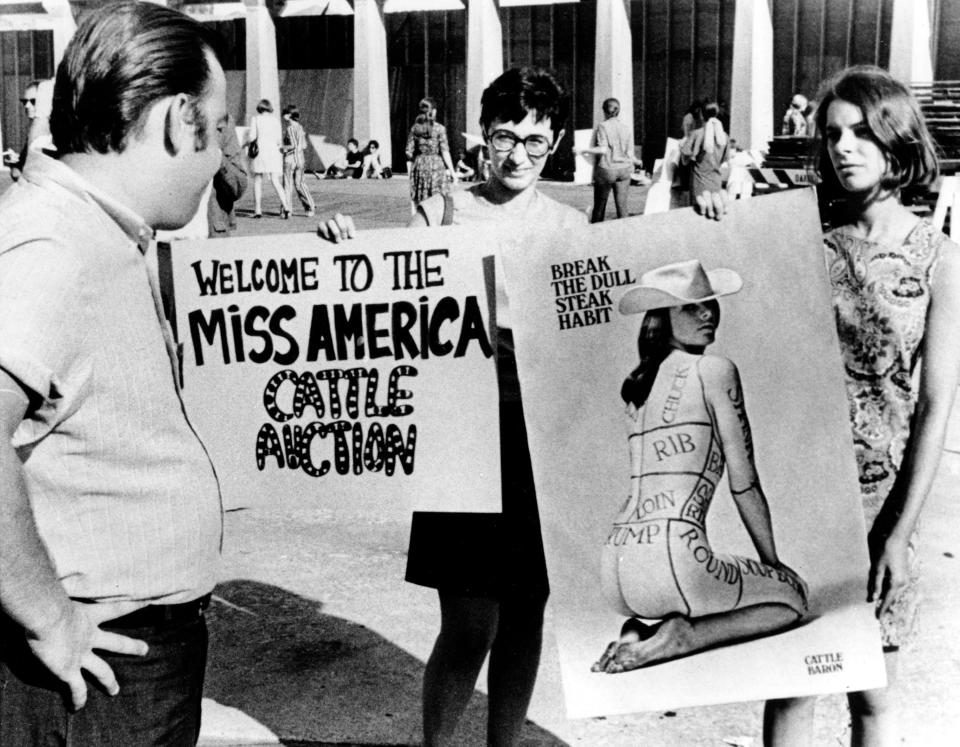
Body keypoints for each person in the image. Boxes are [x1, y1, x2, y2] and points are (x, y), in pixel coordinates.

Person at [689, 66, 960, 746]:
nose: (844, 147)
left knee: (872, 695)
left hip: (883, 502)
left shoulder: (940, 259)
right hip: (802, 497)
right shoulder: (800, 238)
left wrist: (898, 534)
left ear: (897, 139)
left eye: (862, 132)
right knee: (791, 690)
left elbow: (935, 405)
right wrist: (716, 215)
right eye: (833, 133)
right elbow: (721, 297)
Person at [319, 66, 587, 746]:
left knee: (527, 613)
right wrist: (338, 246)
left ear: (554, 142)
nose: (518, 154)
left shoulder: (572, 223)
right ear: (479, 139)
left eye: (534, 140)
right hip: (462, 431)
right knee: (470, 624)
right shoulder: (443, 211)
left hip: (540, 437)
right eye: (504, 137)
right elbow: (381, 302)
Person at [0, 2, 226, 744]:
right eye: (217, 129)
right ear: (176, 121)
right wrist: (50, 618)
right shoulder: (55, 243)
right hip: (94, 671)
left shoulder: (92, 229)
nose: (221, 155)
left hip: (122, 659)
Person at [591, 260, 808, 673]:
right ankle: (685, 635)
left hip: (616, 566)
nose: (708, 313)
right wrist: (773, 562)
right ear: (661, 318)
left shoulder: (638, 386)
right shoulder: (715, 370)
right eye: (692, 306)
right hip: (675, 561)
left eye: (710, 304)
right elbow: (744, 484)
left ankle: (637, 631)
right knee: (792, 598)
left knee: (676, 595)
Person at [576, 97, 643, 223]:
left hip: (607, 169)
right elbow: (629, 153)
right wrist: (637, 162)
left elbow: (602, 149)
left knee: (599, 208)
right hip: (624, 170)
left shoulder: (603, 126)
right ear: (619, 111)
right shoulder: (626, 128)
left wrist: (582, 150)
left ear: (605, 111)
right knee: (622, 208)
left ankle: (596, 236)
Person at [405, 96, 457, 213]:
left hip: (420, 165)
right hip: (436, 166)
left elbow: (408, 151)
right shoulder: (440, 129)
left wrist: (418, 158)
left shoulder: (415, 128)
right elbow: (445, 151)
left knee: (421, 199)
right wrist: (453, 172)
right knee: (438, 200)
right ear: (433, 111)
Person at [247, 98, 291, 219]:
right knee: (275, 180)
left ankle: (258, 210)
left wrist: (247, 141)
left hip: (260, 153)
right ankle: (286, 207)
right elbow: (278, 140)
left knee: (257, 181)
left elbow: (252, 137)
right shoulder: (275, 121)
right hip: (273, 153)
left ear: (260, 108)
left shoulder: (255, 119)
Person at [681, 102, 730, 200]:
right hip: (716, 180)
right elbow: (725, 158)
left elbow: (685, 154)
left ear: (702, 115)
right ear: (717, 114)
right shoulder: (724, 136)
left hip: (698, 182)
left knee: (699, 210)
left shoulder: (696, 134)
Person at [209, 112, 247, 237]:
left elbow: (237, 187)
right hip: (166, 237)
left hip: (212, 232)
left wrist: (219, 157)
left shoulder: (223, 122)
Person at [281, 104, 316, 217]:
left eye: (285, 113)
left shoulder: (290, 128)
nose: (283, 116)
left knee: (287, 185)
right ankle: (310, 206)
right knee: (300, 184)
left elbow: (292, 145)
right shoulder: (300, 128)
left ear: (289, 115)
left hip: (290, 159)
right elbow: (304, 145)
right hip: (300, 159)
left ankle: (287, 209)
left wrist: (281, 148)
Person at [3, 80, 40, 181]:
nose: (27, 106)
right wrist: (16, 161)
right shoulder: (33, 132)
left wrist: (15, 165)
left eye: (33, 101)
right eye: (25, 101)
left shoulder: (47, 135)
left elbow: (19, 175)